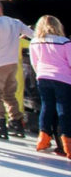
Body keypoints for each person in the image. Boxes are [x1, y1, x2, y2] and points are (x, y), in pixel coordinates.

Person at [0, 0, 34, 139]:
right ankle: (16, 122)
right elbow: (33, 35)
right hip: (12, 64)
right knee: (9, 94)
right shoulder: (15, 22)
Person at [28, 15, 71, 158]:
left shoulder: (35, 42)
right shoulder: (65, 42)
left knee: (46, 107)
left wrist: (40, 74)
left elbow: (34, 62)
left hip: (43, 77)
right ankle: (67, 143)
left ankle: (43, 138)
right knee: (63, 110)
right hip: (63, 79)